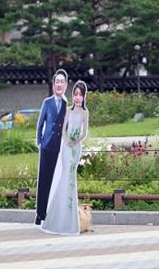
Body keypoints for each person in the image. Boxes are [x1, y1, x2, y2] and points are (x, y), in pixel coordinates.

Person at [42, 81, 89, 235]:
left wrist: (75, 141)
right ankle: (58, 218)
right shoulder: (68, 111)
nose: (77, 97)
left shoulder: (84, 113)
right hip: (66, 147)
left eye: (80, 95)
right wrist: (66, 140)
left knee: (71, 179)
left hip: (76, 148)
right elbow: (63, 129)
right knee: (64, 177)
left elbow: (84, 133)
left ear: (83, 96)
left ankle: (70, 221)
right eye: (75, 94)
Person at [35, 69, 68, 226]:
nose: (59, 84)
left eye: (62, 82)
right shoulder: (47, 102)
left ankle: (52, 212)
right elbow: (41, 123)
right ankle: (39, 213)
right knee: (44, 179)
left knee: (55, 181)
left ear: (66, 85)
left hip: (59, 147)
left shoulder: (66, 104)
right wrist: (40, 141)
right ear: (54, 85)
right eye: (57, 82)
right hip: (47, 146)